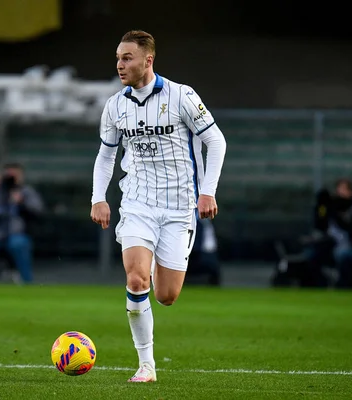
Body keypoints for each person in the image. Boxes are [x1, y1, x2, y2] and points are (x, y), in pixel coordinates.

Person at [90, 30, 227, 382]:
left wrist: (207, 191)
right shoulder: (115, 105)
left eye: (127, 58)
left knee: (166, 295)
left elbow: (216, 141)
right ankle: (146, 365)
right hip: (137, 203)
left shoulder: (182, 96)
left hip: (180, 207)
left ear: (148, 60)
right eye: (118, 57)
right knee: (136, 281)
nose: (120, 64)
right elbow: (107, 156)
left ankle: (156, 266)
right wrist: (99, 197)